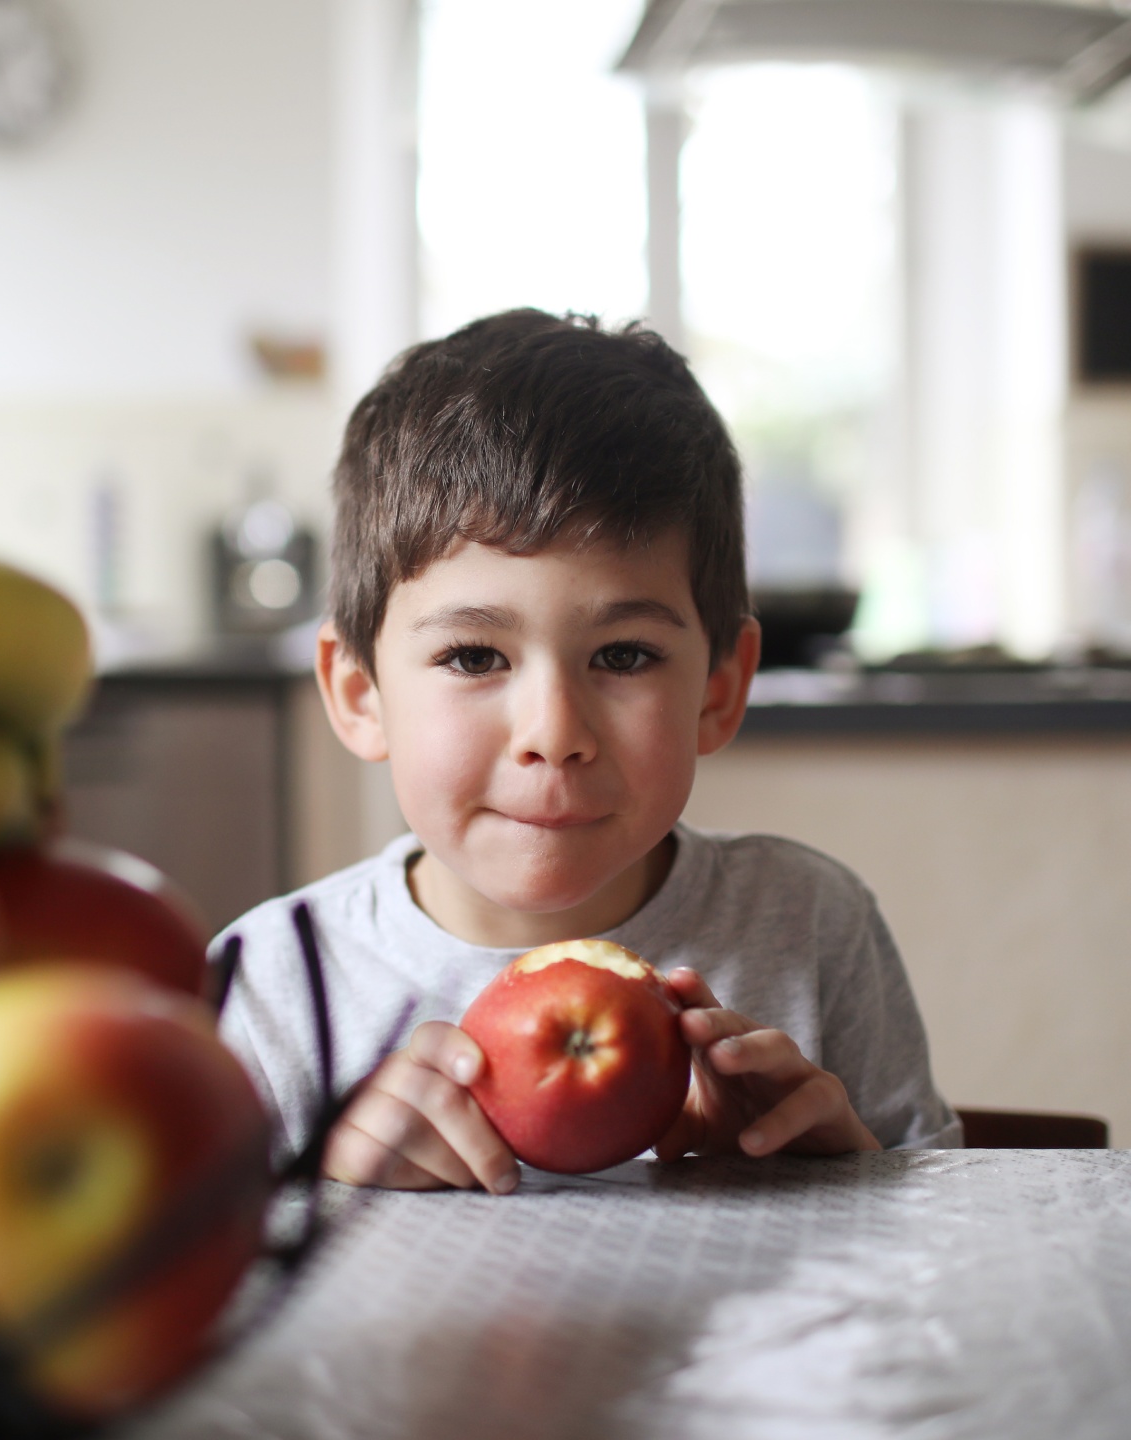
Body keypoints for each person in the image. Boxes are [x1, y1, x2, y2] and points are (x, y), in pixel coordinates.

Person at [216, 309, 961, 1194]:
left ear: (719, 690)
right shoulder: (273, 983)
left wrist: (853, 1181)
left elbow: (934, 1254)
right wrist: (318, 1193)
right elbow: (186, 1292)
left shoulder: (810, 927)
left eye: (623, 657)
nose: (554, 735)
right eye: (473, 657)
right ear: (359, 694)